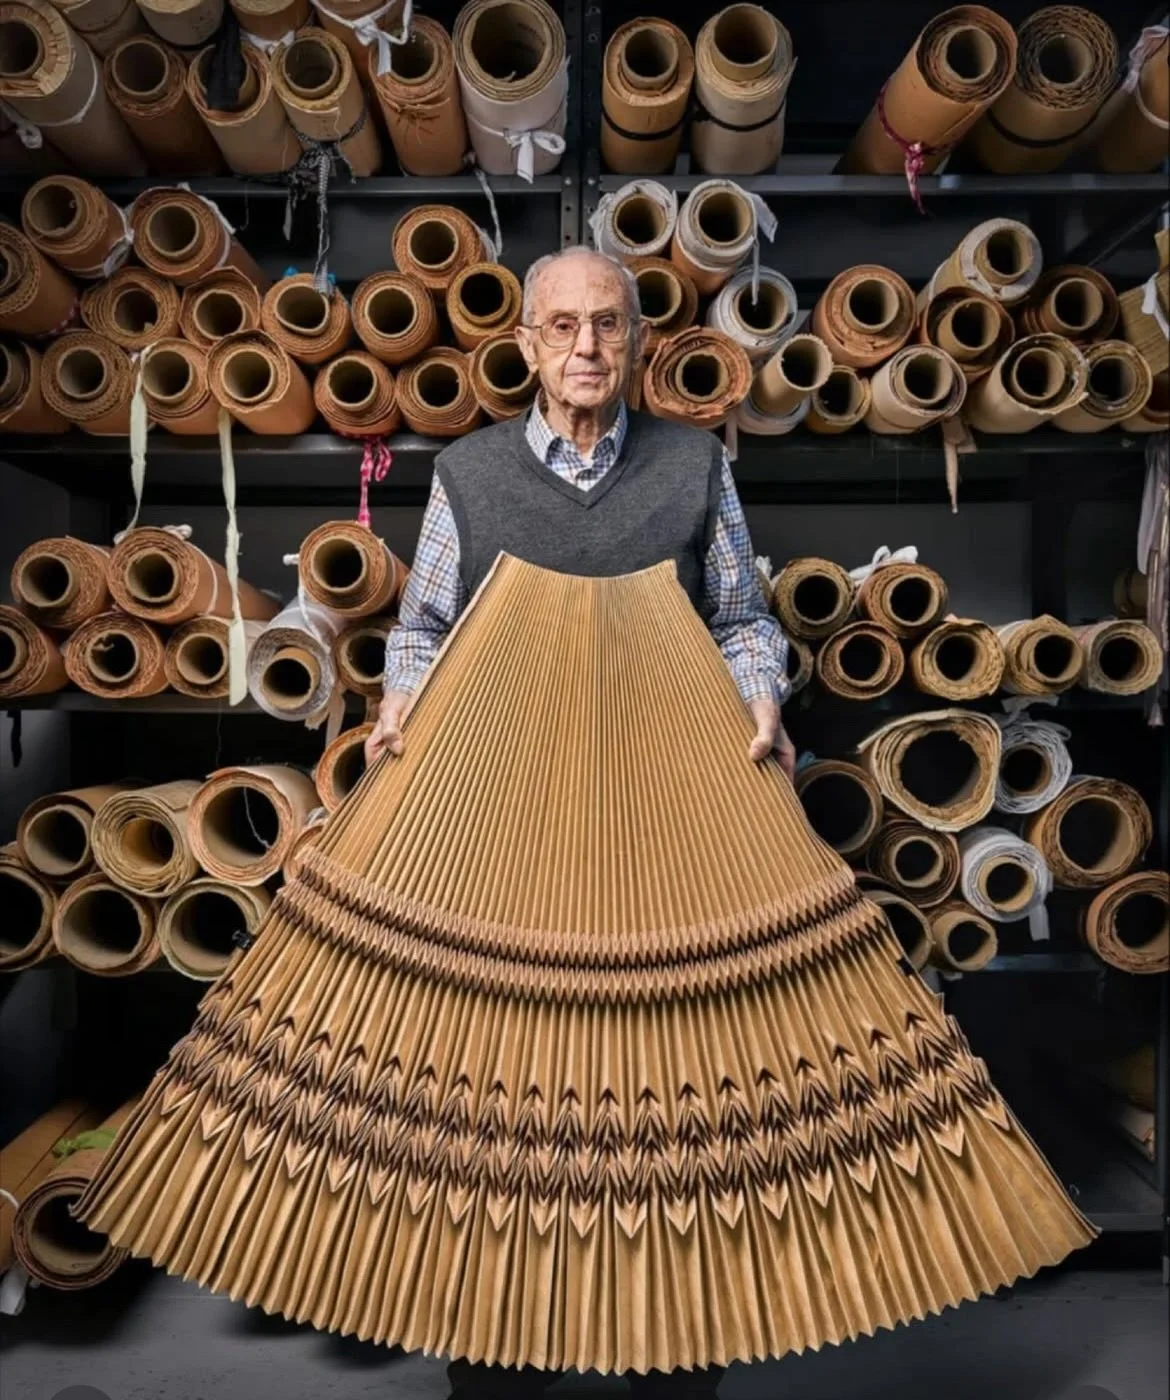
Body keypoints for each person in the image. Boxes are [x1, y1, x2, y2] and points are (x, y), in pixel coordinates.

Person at [364, 245, 794, 1398]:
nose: (588, 348)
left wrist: (762, 692)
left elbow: (745, 613)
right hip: (506, 819)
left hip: (672, 820)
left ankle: (668, 1343)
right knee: (506, 1091)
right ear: (527, 347)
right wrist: (400, 702)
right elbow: (424, 623)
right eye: (563, 327)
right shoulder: (473, 472)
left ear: (641, 342)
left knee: (670, 1095)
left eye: (608, 324)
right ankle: (503, 1348)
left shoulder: (696, 464)